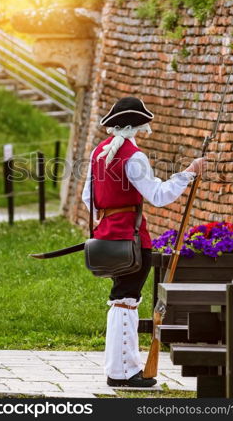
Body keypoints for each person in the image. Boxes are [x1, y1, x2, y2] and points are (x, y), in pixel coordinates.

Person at [82, 96, 206, 388]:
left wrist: (106, 219)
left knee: (120, 299)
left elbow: (88, 199)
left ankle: (120, 369)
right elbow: (158, 196)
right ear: (137, 126)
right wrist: (188, 173)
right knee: (126, 302)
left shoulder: (98, 152)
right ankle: (123, 373)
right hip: (133, 241)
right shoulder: (133, 156)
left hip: (107, 237)